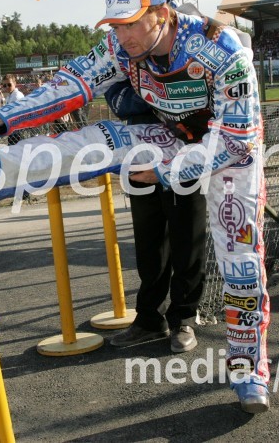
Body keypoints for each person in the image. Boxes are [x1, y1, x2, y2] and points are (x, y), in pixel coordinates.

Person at [0, 0, 271, 413]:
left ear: (161, 15)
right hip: (170, 136)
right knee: (95, 140)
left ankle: (250, 372)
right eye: (116, 26)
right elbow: (71, 84)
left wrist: (162, 173)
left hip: (231, 154)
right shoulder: (121, 47)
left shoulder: (222, 48)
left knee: (241, 264)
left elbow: (236, 137)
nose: (122, 35)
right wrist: (2, 116)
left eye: (130, 24)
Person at [105, 79, 207, 354]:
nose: (127, 35)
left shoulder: (183, 47)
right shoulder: (124, 52)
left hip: (185, 154)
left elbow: (199, 95)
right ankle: (150, 318)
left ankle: (184, 319)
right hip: (139, 154)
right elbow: (118, 99)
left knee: (187, 240)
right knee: (149, 244)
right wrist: (163, 97)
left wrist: (156, 95)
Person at [1, 75, 25, 145]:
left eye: (9, 84)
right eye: (5, 85)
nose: (7, 87)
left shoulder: (17, 95)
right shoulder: (9, 96)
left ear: (14, 83)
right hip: (13, 127)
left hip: (18, 128)